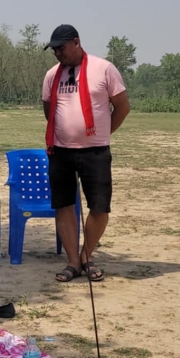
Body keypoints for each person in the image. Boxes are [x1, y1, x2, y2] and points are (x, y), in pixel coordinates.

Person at [41, 24, 131, 283]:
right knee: (64, 206)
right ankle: (72, 261)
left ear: (76, 42)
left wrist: (102, 133)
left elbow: (122, 107)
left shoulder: (104, 69)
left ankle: (86, 256)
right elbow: (49, 111)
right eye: (54, 50)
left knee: (100, 207)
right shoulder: (52, 75)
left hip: (95, 152)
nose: (58, 53)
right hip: (60, 152)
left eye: (61, 48)